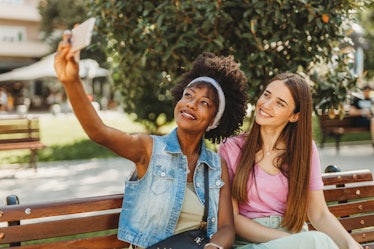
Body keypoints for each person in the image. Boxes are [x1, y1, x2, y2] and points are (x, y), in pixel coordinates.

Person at [54, 31, 249, 249]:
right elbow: (99, 132)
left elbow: (226, 227)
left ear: (215, 120)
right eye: (188, 95)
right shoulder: (149, 149)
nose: (191, 104)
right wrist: (71, 82)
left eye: (204, 103)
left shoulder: (215, 165)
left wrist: (214, 247)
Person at [218, 72, 362, 249]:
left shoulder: (304, 151)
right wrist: (289, 241)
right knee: (318, 241)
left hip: (298, 239)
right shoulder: (231, 148)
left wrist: (351, 244)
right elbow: (232, 218)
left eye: (280, 103)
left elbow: (319, 214)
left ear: (294, 116)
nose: (266, 105)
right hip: (251, 243)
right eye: (267, 95)